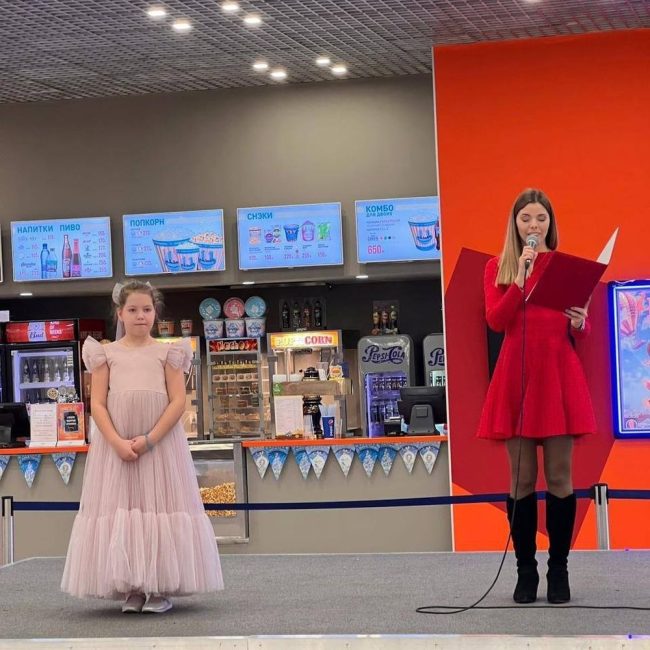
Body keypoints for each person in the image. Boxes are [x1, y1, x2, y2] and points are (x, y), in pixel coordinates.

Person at [61, 281, 223, 613]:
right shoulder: (105, 354)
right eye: (133, 310)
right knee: (124, 509)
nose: (140, 316)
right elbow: (98, 404)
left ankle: (160, 588)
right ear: (120, 313)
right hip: (116, 449)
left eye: (147, 309)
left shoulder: (169, 352)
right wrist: (117, 442)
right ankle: (132, 587)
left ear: (155, 313)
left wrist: (150, 440)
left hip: (160, 447)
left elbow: (178, 402)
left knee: (159, 508)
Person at [476, 188, 596, 605]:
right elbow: (496, 321)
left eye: (541, 218)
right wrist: (519, 280)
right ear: (514, 223)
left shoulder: (565, 268)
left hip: (558, 375)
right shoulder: (498, 267)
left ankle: (558, 570)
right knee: (522, 478)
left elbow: (580, 331)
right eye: (526, 218)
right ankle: (525, 571)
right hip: (516, 377)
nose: (533, 225)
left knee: (560, 476)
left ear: (550, 223)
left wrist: (580, 323)